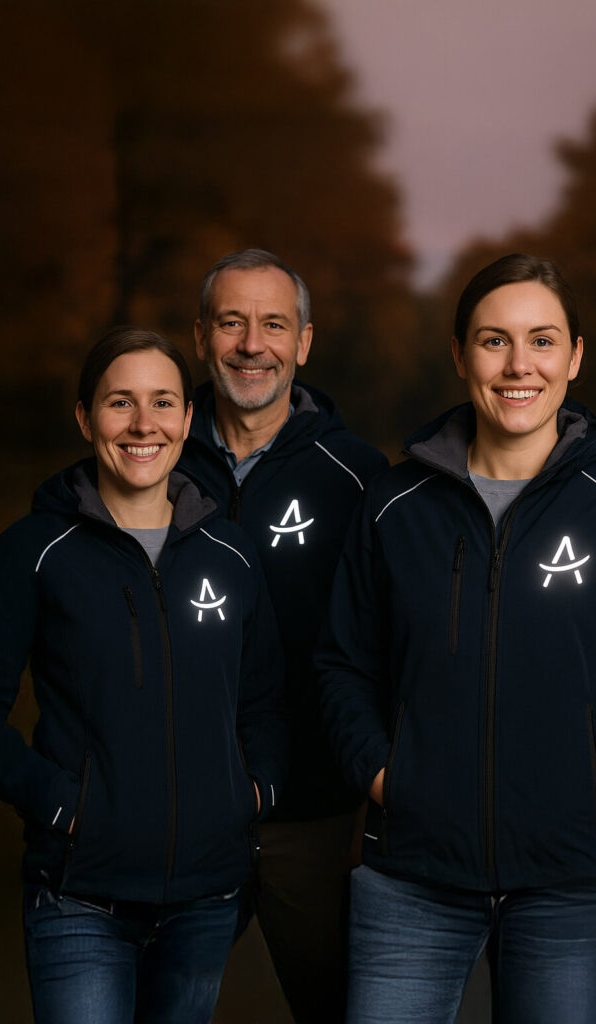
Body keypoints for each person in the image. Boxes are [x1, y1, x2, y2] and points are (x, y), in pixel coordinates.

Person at [317, 253, 596, 1024]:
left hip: (576, 878)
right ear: (459, 355)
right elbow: (341, 664)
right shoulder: (392, 504)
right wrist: (386, 780)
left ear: (576, 356)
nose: (519, 366)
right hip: (410, 873)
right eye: (493, 340)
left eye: (542, 341)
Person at [0, 327, 287, 1024]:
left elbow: (265, 701)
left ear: (186, 419)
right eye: (121, 403)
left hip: (207, 900)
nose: (144, 424)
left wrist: (252, 794)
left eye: (162, 403)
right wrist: (62, 806)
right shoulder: (35, 550)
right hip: (79, 896)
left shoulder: (229, 553)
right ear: (87, 417)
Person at [179, 248, 388, 1023]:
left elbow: (391, 647)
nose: (251, 344)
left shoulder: (362, 477)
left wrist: (376, 781)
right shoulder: (145, 457)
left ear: (304, 342)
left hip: (319, 821)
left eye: (274, 324)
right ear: (202, 335)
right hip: (175, 816)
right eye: (232, 322)